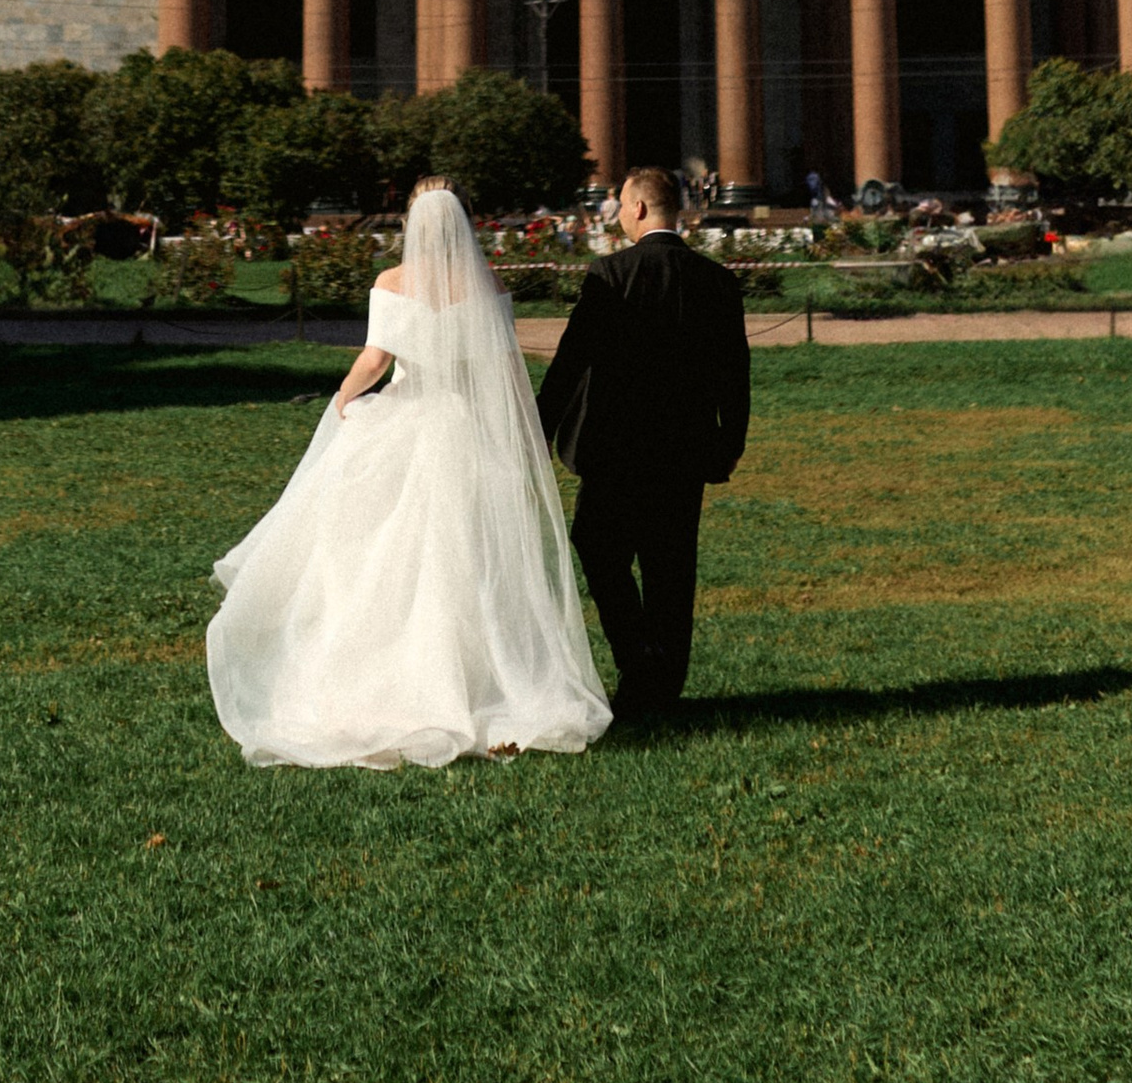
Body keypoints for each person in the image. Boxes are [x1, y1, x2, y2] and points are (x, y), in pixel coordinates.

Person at [205, 181, 610, 770]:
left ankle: (384, 680)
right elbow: (503, 369)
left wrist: (344, 396)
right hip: (468, 432)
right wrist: (523, 437)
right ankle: (476, 683)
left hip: (406, 423)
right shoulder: (488, 284)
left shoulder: (392, 283)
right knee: (468, 560)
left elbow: (376, 359)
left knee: (383, 559)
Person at [537, 164, 749, 718]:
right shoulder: (716, 280)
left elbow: (570, 359)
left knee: (599, 552)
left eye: (619, 209)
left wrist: (538, 429)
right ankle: (663, 683)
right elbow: (735, 373)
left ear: (636, 209)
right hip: (684, 451)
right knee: (672, 568)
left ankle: (638, 662)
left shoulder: (610, 274)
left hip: (615, 448)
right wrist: (731, 442)